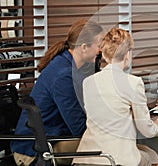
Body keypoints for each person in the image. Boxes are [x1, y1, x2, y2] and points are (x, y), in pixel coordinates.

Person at [73, 27, 158, 166]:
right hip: (116, 160)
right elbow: (147, 130)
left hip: (85, 159)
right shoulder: (133, 83)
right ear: (127, 54)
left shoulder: (88, 82)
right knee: (153, 160)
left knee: (148, 153)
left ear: (104, 54)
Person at [10, 19, 104, 166]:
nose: (101, 51)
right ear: (84, 47)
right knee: (106, 149)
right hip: (33, 151)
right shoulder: (63, 75)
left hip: (52, 139)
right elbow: (78, 127)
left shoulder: (71, 67)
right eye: (99, 46)